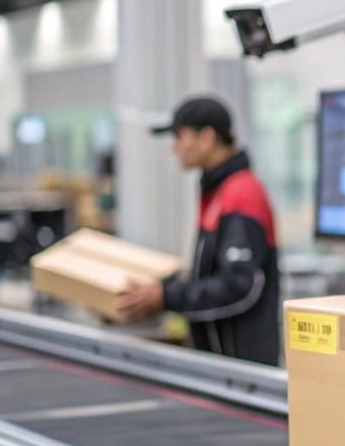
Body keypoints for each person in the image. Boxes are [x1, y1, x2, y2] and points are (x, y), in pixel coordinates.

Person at [117, 96, 281, 366]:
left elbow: (238, 285)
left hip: (242, 367)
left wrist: (167, 296)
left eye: (180, 137)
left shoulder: (241, 194)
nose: (175, 148)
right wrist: (163, 287)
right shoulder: (218, 190)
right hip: (222, 362)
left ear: (206, 137)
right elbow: (209, 273)